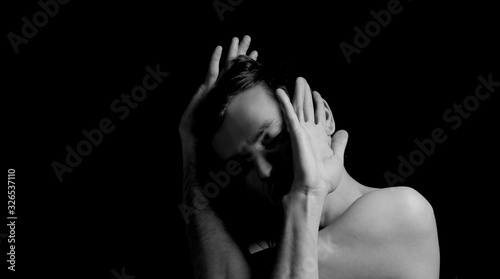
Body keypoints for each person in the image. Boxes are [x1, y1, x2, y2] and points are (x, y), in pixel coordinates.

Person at [178, 35, 440, 279]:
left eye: (272, 139)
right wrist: (192, 145)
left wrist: (308, 191)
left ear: (323, 117)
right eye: (242, 164)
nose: (264, 171)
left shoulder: (405, 212)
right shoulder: (270, 243)